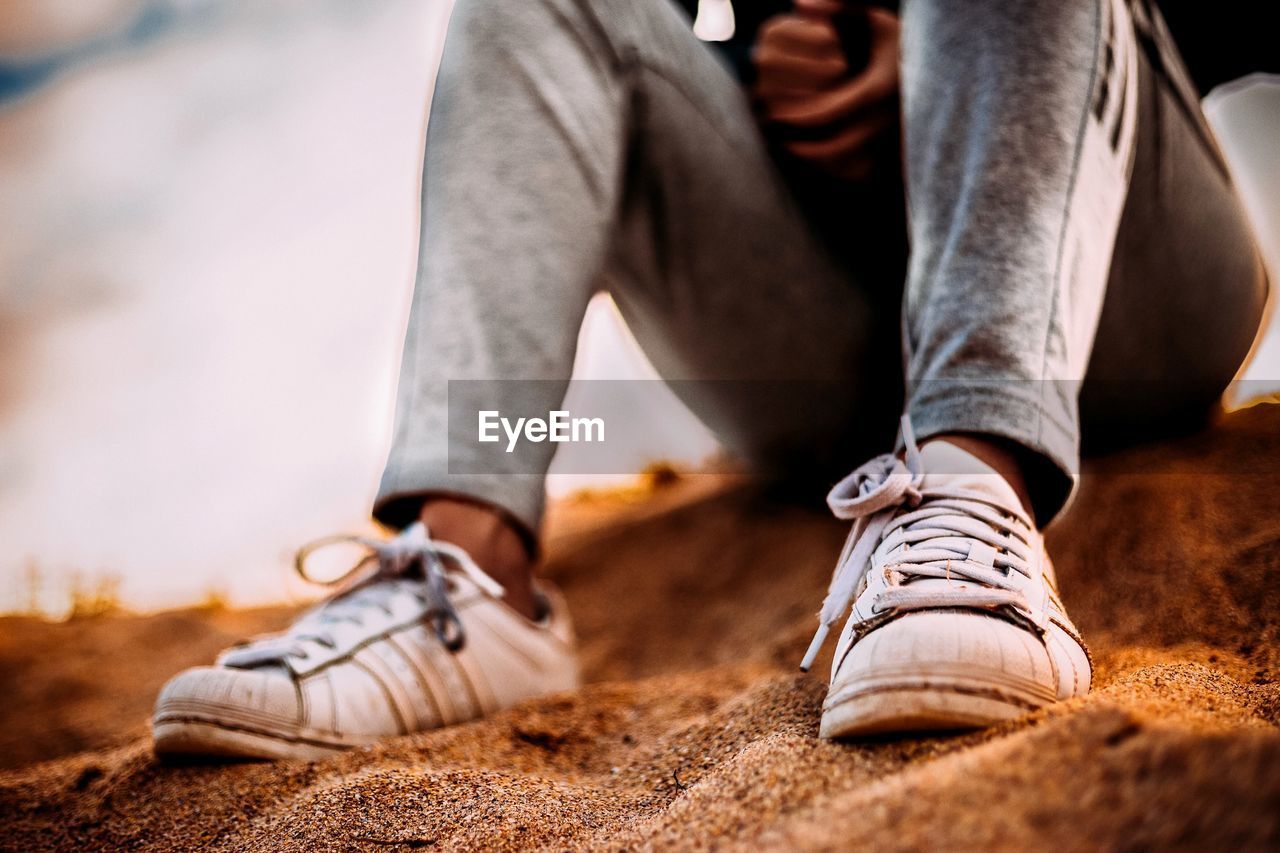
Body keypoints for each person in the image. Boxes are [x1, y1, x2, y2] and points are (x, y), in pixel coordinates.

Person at [151, 0, 1268, 759]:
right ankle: (470, 573)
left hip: (1133, 308)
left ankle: (971, 487)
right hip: (825, 374)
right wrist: (757, 68)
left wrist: (939, 62)